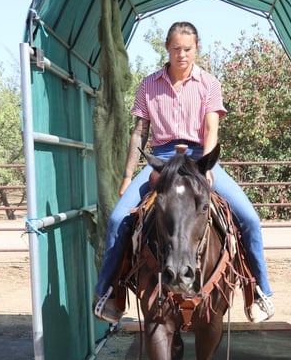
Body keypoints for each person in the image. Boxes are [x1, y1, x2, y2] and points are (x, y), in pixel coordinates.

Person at [93, 21, 274, 324]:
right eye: (176, 48)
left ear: (196, 49)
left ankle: (258, 292)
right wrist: (127, 176)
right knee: (116, 219)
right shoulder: (149, 84)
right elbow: (139, 132)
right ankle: (110, 294)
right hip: (161, 158)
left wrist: (208, 165)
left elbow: (211, 128)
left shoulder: (209, 84)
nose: (182, 54)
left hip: (198, 157)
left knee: (250, 219)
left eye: (187, 49)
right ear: (167, 49)